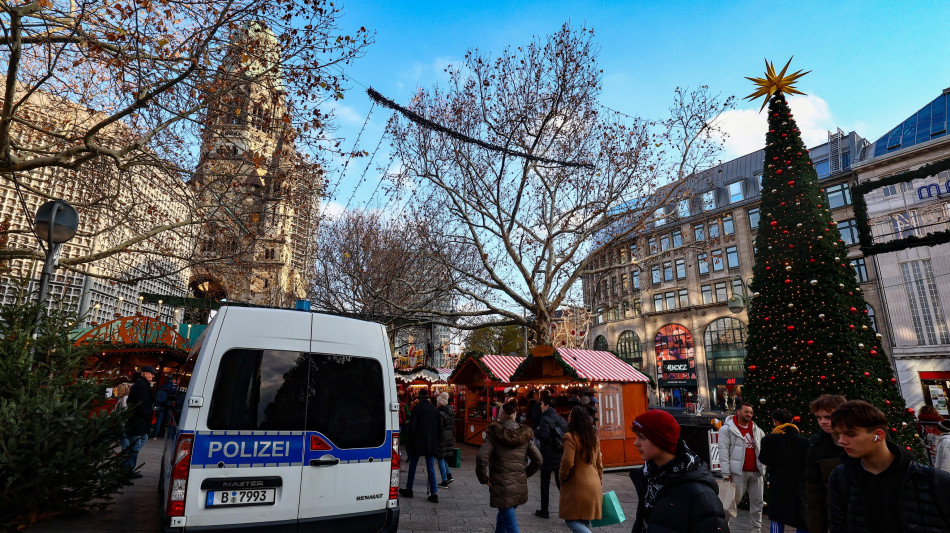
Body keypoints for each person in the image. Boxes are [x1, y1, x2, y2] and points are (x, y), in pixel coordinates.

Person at [828, 400, 950, 532]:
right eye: (838, 434)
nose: (842, 441)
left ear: (878, 435)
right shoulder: (841, 477)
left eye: (851, 434)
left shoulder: (933, 480)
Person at [631, 409, 728, 532]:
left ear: (661, 440)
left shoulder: (700, 493)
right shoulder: (651, 479)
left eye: (642, 437)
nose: (636, 443)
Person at [476, 401, 542, 533]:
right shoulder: (524, 434)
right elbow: (538, 459)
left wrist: (483, 478)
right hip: (518, 483)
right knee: (503, 519)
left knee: (511, 526)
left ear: (501, 414)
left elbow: (481, 457)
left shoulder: (493, 434)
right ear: (515, 414)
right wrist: (525, 473)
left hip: (501, 484)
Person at [759, 408, 809, 533]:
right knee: (802, 515)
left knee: (777, 515)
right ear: (792, 421)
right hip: (800, 481)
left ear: (775, 422)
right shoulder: (805, 441)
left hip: (779, 481)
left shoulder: (769, 439)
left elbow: (764, 460)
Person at [718, 401, 765, 530]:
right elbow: (723, 452)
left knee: (758, 503)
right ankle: (723, 527)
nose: (749, 414)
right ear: (738, 412)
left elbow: (761, 449)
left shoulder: (757, 430)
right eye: (746, 411)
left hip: (756, 471)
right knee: (730, 503)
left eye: (751, 412)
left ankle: (757, 529)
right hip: (737, 472)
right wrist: (726, 473)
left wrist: (763, 468)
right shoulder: (727, 429)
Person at [804, 394, 847, 533]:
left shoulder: (863, 440)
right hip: (836, 518)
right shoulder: (817, 447)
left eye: (828, 417)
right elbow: (814, 494)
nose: (823, 422)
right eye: (819, 417)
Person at [559, 406, 603, 533]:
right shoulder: (594, 438)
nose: (568, 418)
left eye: (569, 415)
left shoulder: (570, 437)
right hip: (593, 483)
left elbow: (567, 461)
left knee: (571, 520)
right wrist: (600, 482)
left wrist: (562, 477)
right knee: (584, 519)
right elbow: (599, 464)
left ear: (573, 419)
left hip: (577, 484)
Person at [399, 388, 442, 503]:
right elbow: (439, 428)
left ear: (419, 398)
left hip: (418, 442)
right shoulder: (435, 410)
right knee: (430, 467)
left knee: (413, 465)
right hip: (430, 442)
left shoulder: (416, 409)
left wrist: (409, 440)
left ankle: (409, 489)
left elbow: (412, 427)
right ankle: (434, 493)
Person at [533, 394, 568, 519]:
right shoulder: (561, 419)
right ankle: (570, 508)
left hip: (547, 455)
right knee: (561, 484)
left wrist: (535, 431)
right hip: (559, 454)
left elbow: (545, 436)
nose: (541, 407)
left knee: (545, 484)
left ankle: (544, 510)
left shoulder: (545, 419)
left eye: (541, 404)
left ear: (546, 405)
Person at [124, 366, 156, 472]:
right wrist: (147, 413)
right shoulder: (141, 385)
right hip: (137, 421)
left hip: (139, 421)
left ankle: (127, 462)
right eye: (152, 373)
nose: (153, 375)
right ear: (146, 374)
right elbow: (138, 403)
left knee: (143, 438)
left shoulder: (142, 385)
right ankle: (128, 468)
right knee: (135, 446)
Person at [435, 392, 455, 488]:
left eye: (437, 403)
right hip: (449, 436)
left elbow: (439, 427)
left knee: (440, 458)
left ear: (440, 403)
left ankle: (444, 481)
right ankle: (449, 475)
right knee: (444, 457)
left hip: (442, 438)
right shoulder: (450, 411)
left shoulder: (440, 413)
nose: (436, 404)